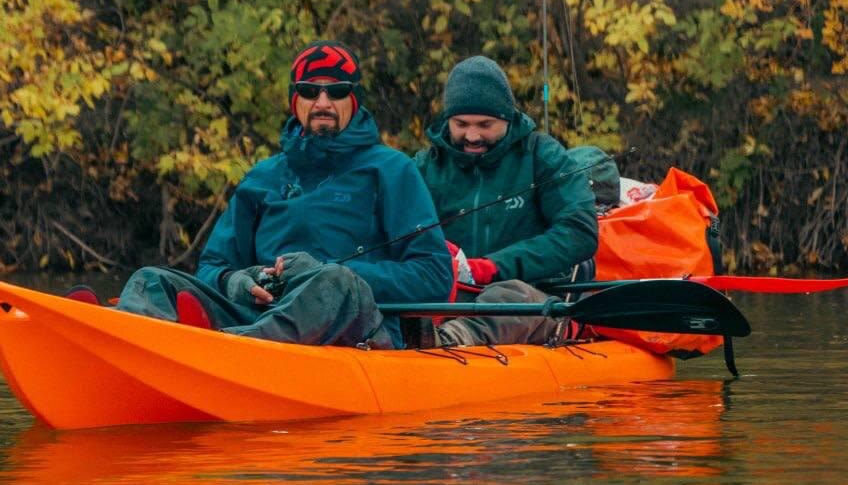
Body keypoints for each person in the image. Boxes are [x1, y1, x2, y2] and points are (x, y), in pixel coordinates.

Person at [111, 40, 453, 349]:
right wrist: (234, 281)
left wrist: (323, 271)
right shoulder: (262, 176)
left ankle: (222, 350)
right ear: (295, 100)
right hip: (259, 314)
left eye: (336, 92)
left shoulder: (392, 169)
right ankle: (124, 344)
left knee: (333, 281)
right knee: (151, 280)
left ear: (353, 99)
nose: (322, 103)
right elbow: (213, 266)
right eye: (309, 91)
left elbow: (434, 276)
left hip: (355, 330)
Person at [414, 55, 600, 347]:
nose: (472, 135)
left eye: (485, 124)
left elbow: (580, 232)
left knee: (508, 296)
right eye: (461, 124)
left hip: (530, 299)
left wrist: (493, 267)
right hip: (450, 294)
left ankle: (448, 340)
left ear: (507, 118)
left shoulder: (542, 155)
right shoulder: (425, 166)